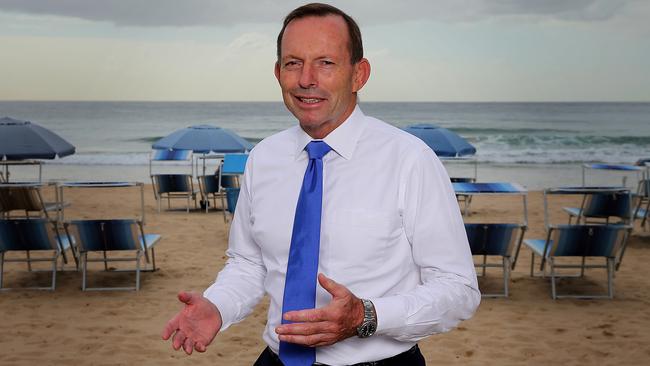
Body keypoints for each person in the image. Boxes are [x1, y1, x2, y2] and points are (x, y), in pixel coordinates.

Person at [162, 3, 480, 365]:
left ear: (359, 74)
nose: (306, 79)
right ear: (278, 72)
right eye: (293, 63)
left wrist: (366, 316)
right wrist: (217, 306)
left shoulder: (411, 160)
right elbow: (250, 264)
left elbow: (459, 290)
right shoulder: (264, 158)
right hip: (277, 359)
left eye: (325, 63)